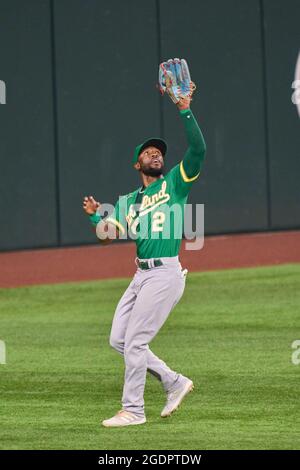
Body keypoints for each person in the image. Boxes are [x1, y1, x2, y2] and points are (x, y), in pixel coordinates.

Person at [82, 71, 206, 427]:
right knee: (119, 340)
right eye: (148, 153)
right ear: (138, 164)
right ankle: (174, 381)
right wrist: (94, 218)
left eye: (158, 152)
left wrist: (184, 110)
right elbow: (108, 235)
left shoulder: (176, 183)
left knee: (135, 342)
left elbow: (198, 149)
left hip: (165, 273)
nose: (155, 154)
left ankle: (133, 410)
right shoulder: (127, 201)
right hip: (141, 275)